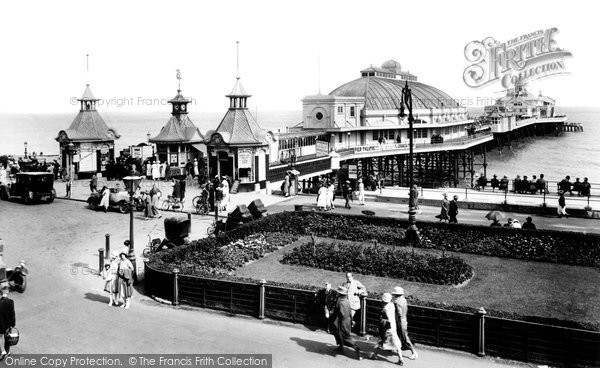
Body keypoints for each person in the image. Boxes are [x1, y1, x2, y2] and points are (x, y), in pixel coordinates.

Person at [369, 293, 403, 365]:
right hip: (393, 327)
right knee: (396, 342)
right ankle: (401, 358)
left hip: (387, 328)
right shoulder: (392, 305)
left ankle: (374, 355)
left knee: (380, 340)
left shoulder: (385, 309)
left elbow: (385, 320)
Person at [331, 286, 362, 360]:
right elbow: (349, 312)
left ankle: (356, 347)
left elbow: (341, 313)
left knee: (344, 336)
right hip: (347, 321)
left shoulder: (340, 302)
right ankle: (341, 347)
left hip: (341, 322)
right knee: (342, 335)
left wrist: (335, 314)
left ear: (340, 294)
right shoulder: (347, 300)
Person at [392, 286, 418, 360]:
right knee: (402, 336)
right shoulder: (404, 300)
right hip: (404, 319)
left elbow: (399, 313)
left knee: (404, 337)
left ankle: (414, 352)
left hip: (399, 321)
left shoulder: (396, 302)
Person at [0, 288, 16, 360]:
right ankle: (8, 351)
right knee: (7, 338)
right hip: (8, 324)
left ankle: (2, 351)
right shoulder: (11, 302)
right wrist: (13, 324)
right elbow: (12, 314)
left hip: (0, 324)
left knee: (0, 337)